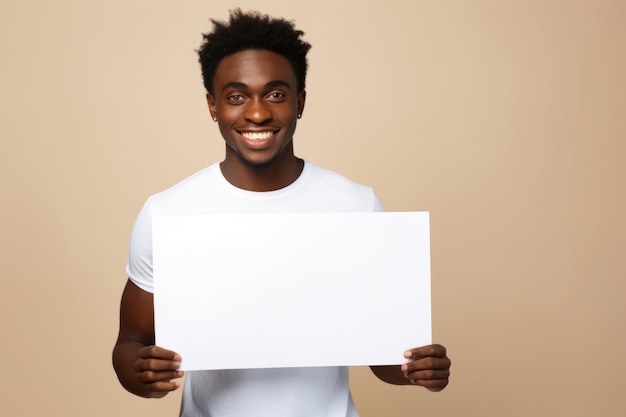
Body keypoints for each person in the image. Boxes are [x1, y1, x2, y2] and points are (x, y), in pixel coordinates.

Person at [112, 9, 451, 417]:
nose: (257, 113)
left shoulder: (355, 206)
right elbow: (130, 341)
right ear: (212, 106)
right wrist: (141, 372)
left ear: (300, 102)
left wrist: (418, 368)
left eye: (275, 94)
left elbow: (384, 358)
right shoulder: (167, 212)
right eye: (236, 96)